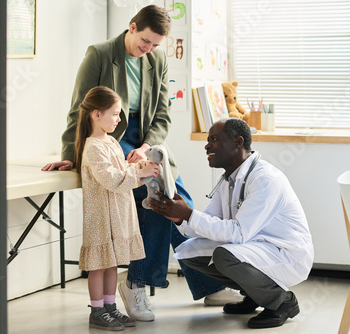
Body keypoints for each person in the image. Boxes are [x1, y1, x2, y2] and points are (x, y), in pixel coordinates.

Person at [42, 5, 241, 321]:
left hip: (148, 140)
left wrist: (148, 147)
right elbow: (79, 108)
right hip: (110, 135)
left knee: (178, 202)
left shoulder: (158, 59)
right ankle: (138, 284)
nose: (148, 50)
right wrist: (71, 154)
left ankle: (205, 281)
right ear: (132, 27)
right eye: (145, 42)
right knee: (159, 202)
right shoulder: (100, 54)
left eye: (154, 45)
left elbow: (162, 115)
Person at [149, 118, 314, 329]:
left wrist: (190, 214)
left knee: (224, 255)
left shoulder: (264, 179)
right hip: (257, 246)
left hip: (287, 253)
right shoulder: (228, 178)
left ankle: (282, 302)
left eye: (214, 139)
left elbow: (238, 233)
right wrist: (180, 217)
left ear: (238, 142)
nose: (207, 145)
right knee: (190, 252)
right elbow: (210, 223)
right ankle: (255, 295)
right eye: (207, 140)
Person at [75, 86, 160, 331]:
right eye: (115, 114)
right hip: (100, 216)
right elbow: (111, 178)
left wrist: (140, 168)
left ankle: (110, 307)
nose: (119, 119)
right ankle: (97, 310)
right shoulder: (92, 147)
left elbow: (121, 170)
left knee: (112, 263)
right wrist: (137, 172)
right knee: (99, 265)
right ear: (96, 114)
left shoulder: (111, 141)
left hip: (118, 214)